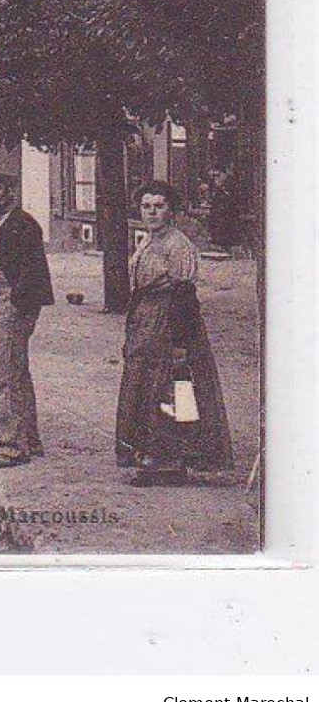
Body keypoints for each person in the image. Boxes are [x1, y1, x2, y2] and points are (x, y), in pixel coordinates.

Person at [115, 180, 234, 485]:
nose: (152, 212)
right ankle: (151, 455)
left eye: (159, 206)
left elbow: (184, 295)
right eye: (146, 206)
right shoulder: (148, 241)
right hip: (146, 322)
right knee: (145, 387)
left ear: (170, 210)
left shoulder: (177, 245)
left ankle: (170, 460)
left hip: (169, 323)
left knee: (168, 388)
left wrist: (181, 343)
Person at [0, 171, 55, 467]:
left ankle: (11, 446)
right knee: (16, 371)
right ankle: (30, 440)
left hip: (13, 301)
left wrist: (19, 306)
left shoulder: (24, 225)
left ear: (11, 192)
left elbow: (33, 274)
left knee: (6, 374)